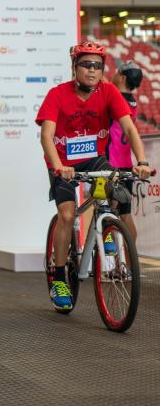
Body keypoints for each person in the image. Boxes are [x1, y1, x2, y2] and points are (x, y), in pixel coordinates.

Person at [36, 41, 151, 312]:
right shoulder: (57, 94)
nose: (92, 70)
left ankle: (107, 229)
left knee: (117, 189)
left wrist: (142, 161)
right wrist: (57, 167)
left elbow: (130, 128)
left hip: (93, 159)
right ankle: (60, 278)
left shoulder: (109, 91)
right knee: (66, 215)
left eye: (97, 66)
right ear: (74, 67)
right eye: (86, 65)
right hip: (63, 162)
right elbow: (46, 135)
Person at [107, 60, 145, 242]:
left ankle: (110, 263)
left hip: (110, 164)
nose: (112, 75)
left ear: (122, 77)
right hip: (126, 165)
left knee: (109, 214)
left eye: (116, 72)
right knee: (125, 215)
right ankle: (130, 267)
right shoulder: (132, 101)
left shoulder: (114, 97)